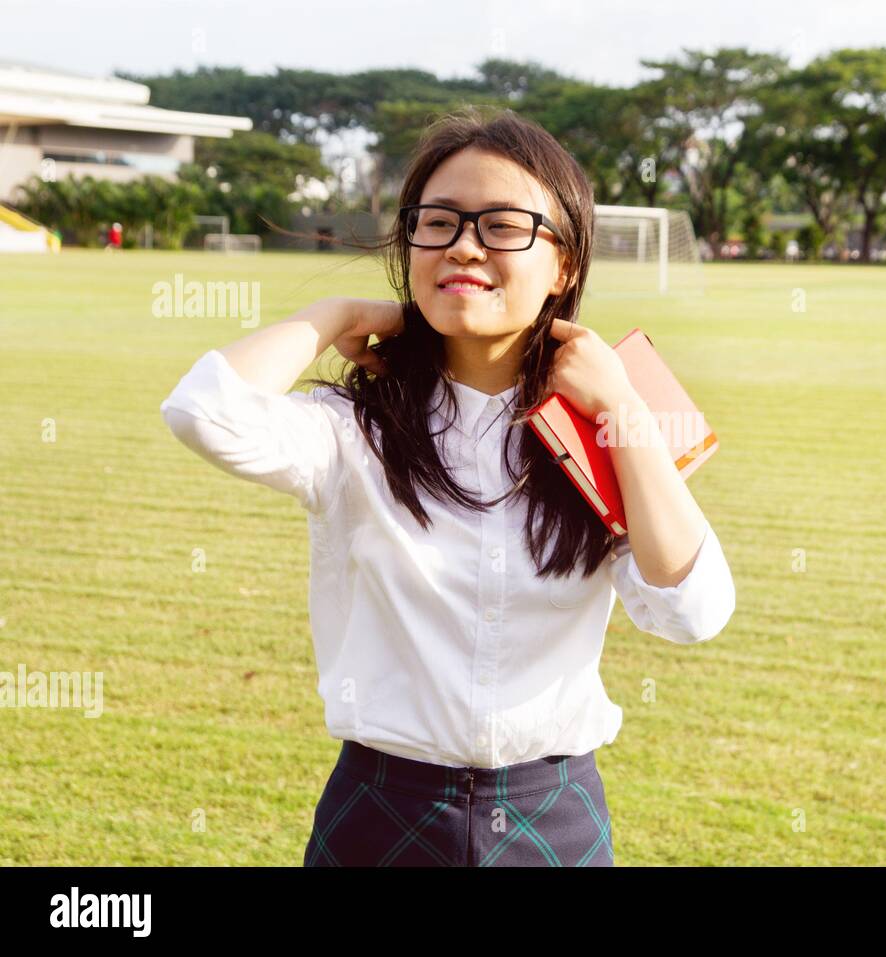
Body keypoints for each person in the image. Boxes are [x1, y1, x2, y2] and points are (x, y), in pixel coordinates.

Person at [159, 108, 736, 867]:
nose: (464, 245)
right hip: (379, 809)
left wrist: (625, 407)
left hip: (551, 816)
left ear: (563, 264)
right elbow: (203, 411)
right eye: (438, 223)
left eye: (502, 225)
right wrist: (337, 313)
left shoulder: (605, 429)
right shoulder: (352, 428)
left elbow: (692, 609)